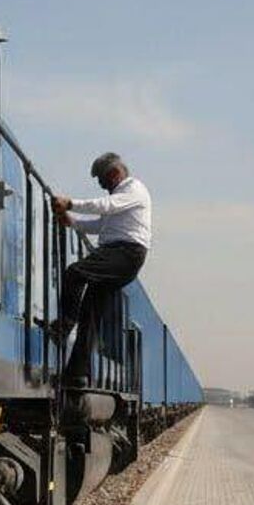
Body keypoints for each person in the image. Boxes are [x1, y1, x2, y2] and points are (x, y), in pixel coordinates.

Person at [49, 152, 152, 388]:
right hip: (118, 254)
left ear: (114, 174)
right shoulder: (121, 198)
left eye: (103, 181)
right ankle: (77, 374)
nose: (103, 187)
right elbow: (102, 225)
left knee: (75, 273)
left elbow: (107, 206)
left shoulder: (133, 189)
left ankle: (63, 326)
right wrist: (72, 222)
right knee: (91, 315)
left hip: (126, 253)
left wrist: (71, 203)